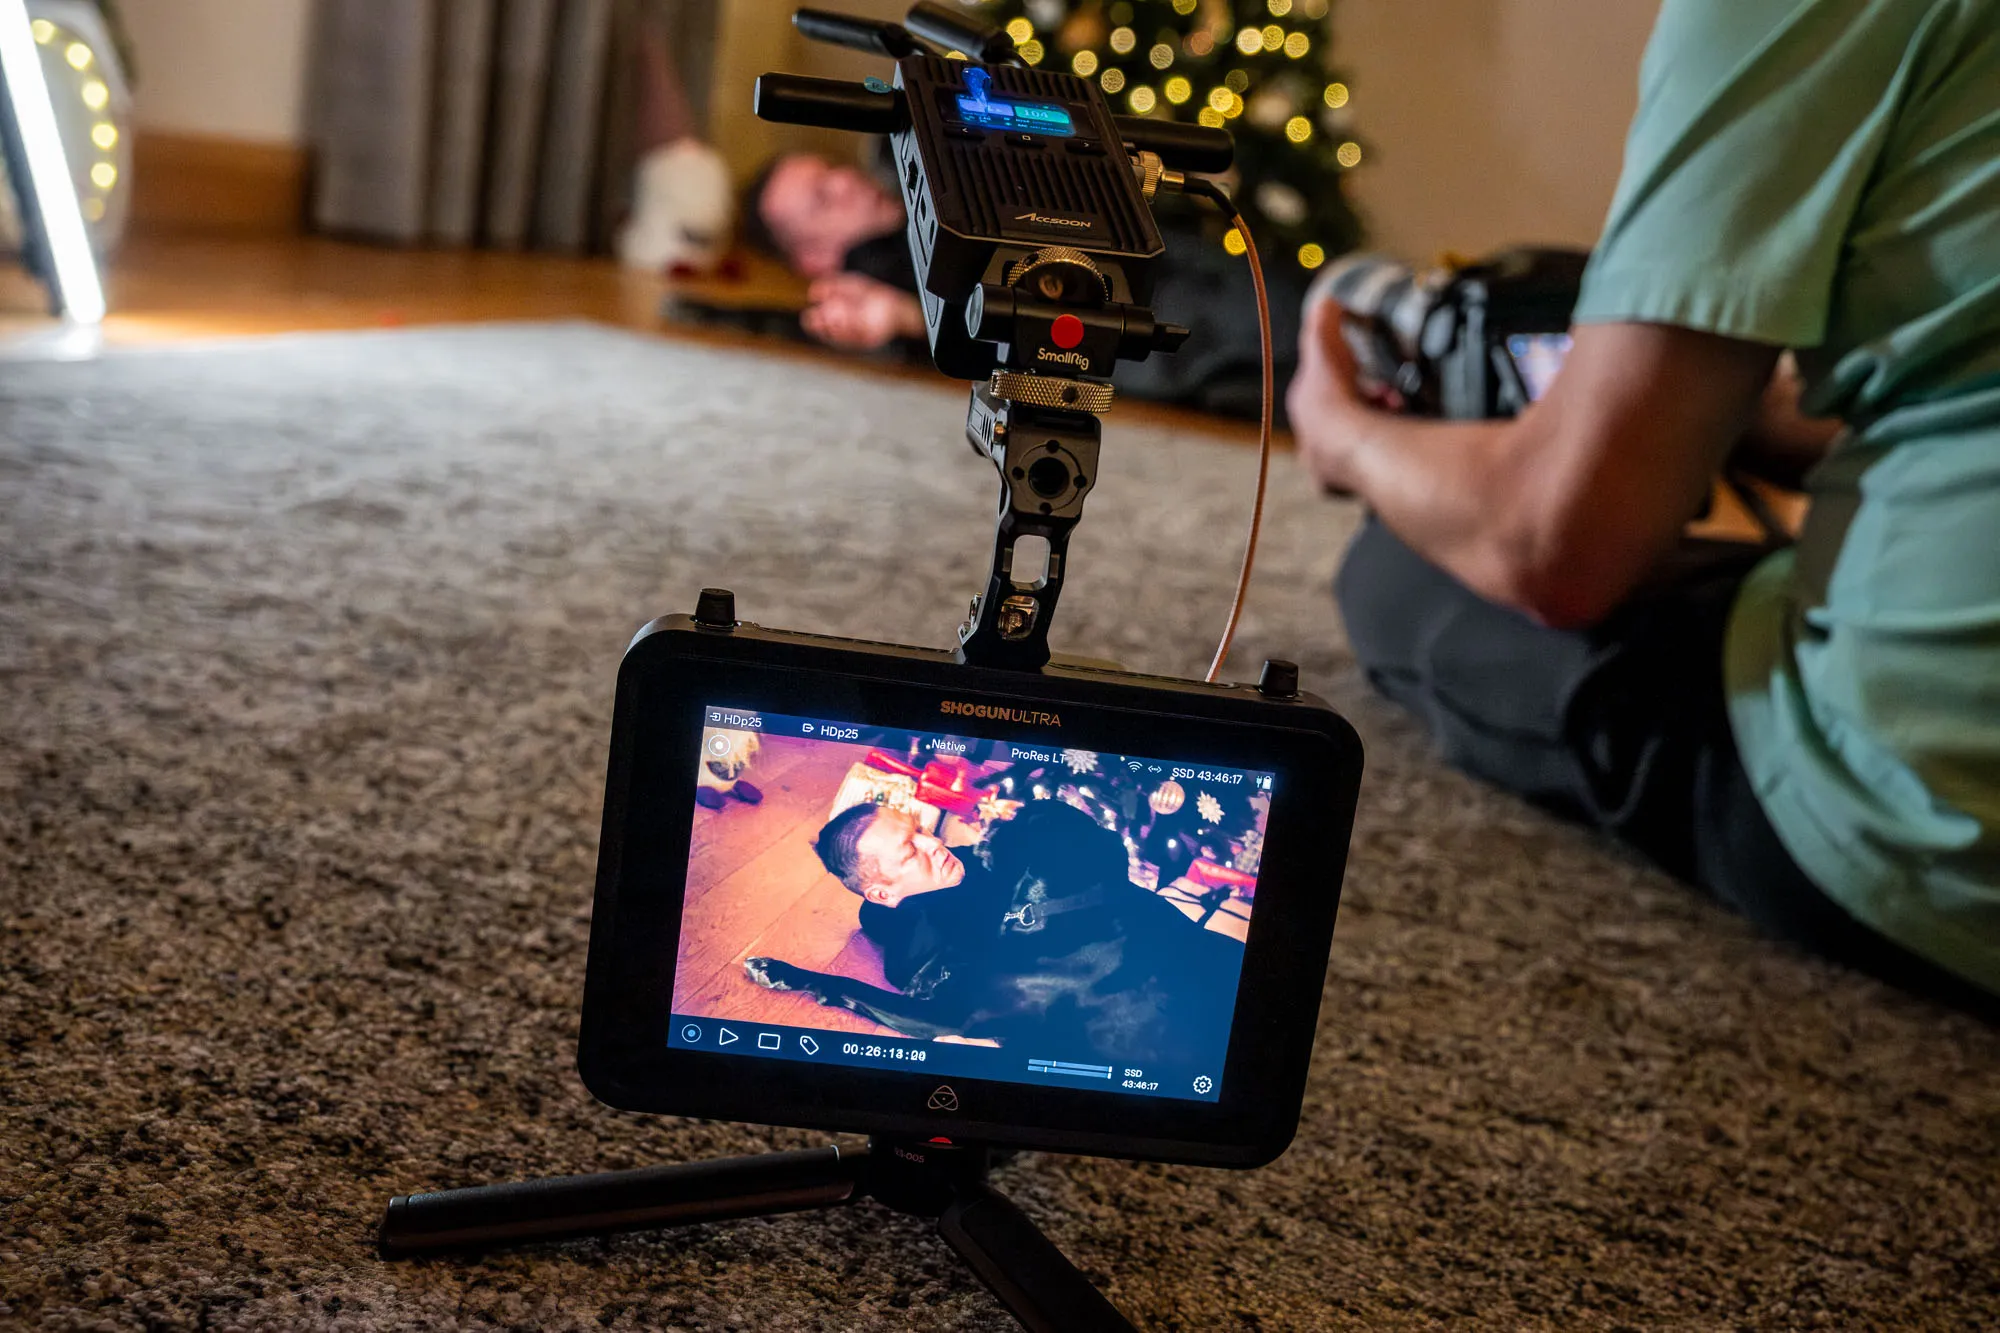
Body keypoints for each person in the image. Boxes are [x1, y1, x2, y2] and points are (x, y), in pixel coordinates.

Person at [1287, 0, 1999, 1017]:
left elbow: (1553, 549)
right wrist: (1717, 408)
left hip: (1936, 821)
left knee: (1398, 572)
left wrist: (1340, 432)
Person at [742, 150, 1307, 415]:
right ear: (814, 256)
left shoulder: (914, 187)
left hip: (1169, 272)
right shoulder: (879, 276)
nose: (845, 181)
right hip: (1155, 326)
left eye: (830, 171)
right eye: (822, 198)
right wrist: (903, 319)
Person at [743, 796, 1244, 1059]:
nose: (934, 844)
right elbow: (947, 1008)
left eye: (920, 830)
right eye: (909, 850)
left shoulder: (983, 866)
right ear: (883, 891)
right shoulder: (888, 923)